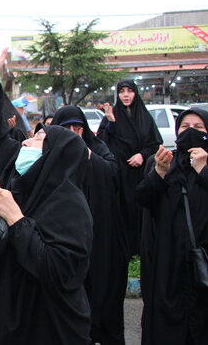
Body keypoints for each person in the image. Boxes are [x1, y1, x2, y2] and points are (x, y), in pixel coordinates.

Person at [0, 31, 92, 344]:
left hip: (44, 324)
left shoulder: (70, 207)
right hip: (5, 311)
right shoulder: (21, 176)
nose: (27, 140)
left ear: (55, 157)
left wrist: (18, 222)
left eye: (39, 139)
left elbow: (60, 273)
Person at [51, 106, 127, 345]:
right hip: (67, 238)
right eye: (67, 129)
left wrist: (87, 154)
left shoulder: (96, 148)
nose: (74, 133)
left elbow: (114, 173)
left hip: (101, 237)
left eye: (78, 128)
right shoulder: (51, 153)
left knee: (104, 296)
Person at [135, 108, 208, 345]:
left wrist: (204, 171)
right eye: (185, 127)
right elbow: (143, 200)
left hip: (203, 269)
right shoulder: (165, 162)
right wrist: (159, 173)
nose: (190, 133)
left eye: (198, 128)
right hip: (169, 269)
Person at [97, 80, 162, 257]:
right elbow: (102, 142)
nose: (125, 95)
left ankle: (139, 247)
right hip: (119, 173)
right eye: (122, 92)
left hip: (138, 173)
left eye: (129, 91)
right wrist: (110, 121)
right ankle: (122, 248)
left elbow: (155, 143)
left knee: (139, 209)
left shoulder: (145, 117)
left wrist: (142, 154)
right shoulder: (112, 115)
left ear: (136, 93)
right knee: (120, 208)